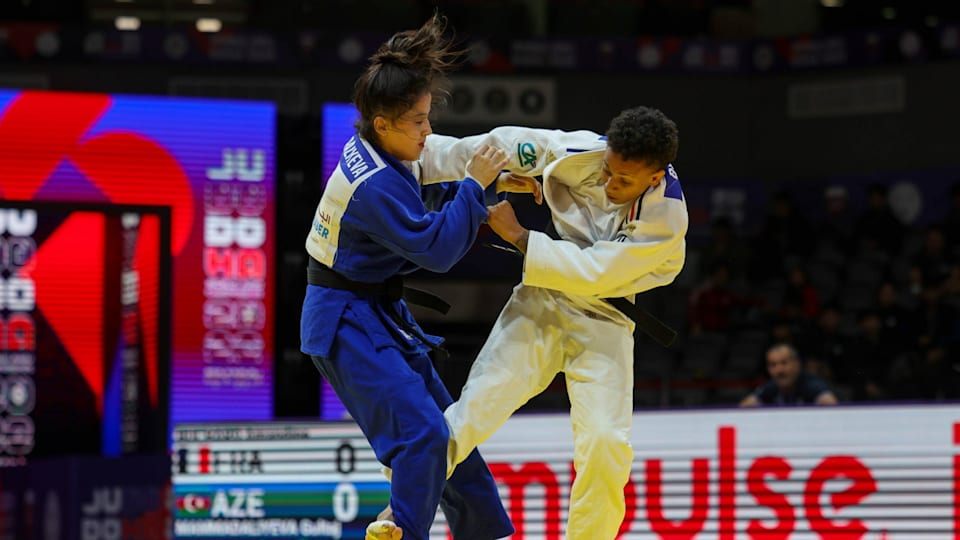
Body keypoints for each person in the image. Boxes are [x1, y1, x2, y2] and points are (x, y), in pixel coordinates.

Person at [417, 106, 688, 539]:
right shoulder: (580, 152)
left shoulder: (666, 218)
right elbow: (499, 144)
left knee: (606, 444)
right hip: (541, 300)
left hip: (608, 314)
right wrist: (420, 156)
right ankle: (401, 510)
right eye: (608, 171)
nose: (609, 184)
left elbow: (599, 273)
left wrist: (521, 237)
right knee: (473, 411)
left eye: (625, 181)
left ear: (654, 177)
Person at [299, 14, 517, 540]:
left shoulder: (382, 154)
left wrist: (483, 191)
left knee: (452, 436)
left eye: (426, 118)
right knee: (420, 435)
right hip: (345, 323)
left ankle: (482, 532)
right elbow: (437, 250)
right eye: (418, 121)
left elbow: (427, 209)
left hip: (377, 312)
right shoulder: (370, 182)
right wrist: (472, 186)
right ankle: (401, 527)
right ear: (384, 123)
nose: (428, 131)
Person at [740, 343, 839, 406]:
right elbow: (743, 409)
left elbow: (831, 406)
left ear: (797, 364)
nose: (779, 370)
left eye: (784, 363)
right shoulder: (770, 388)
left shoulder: (812, 386)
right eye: (773, 365)